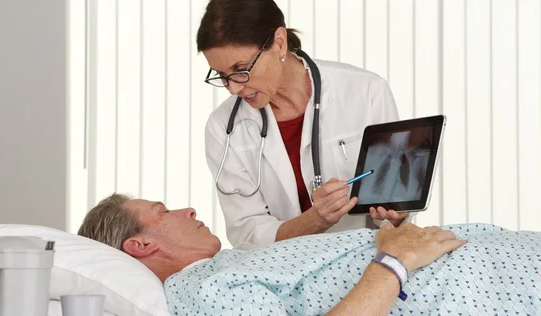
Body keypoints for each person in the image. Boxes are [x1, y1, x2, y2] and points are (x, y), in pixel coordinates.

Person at [78, 194, 541, 315]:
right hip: (489, 286)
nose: (188, 208)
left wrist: (392, 238)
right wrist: (394, 261)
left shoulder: (229, 265)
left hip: (498, 257)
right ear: (141, 245)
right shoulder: (200, 290)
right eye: (164, 211)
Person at [197, 0, 410, 247]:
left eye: (241, 69)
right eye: (222, 76)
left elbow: (397, 202)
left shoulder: (366, 92)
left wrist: (396, 215)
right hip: (283, 274)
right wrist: (314, 221)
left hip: (366, 261)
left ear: (279, 43)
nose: (233, 88)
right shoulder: (223, 128)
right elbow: (247, 234)